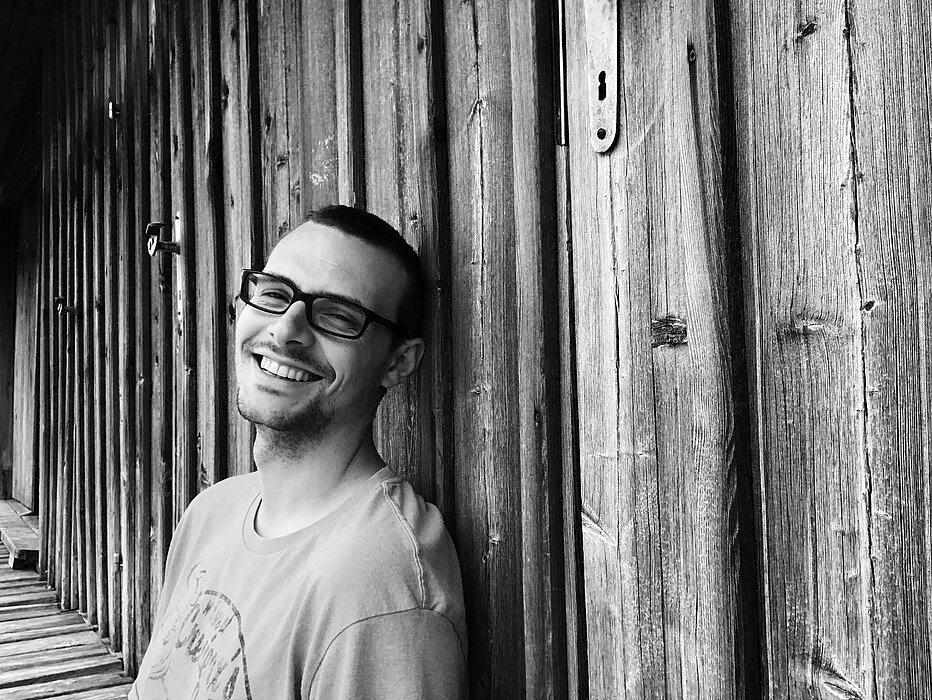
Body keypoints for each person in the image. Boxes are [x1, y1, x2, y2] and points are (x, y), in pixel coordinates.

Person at [130, 206, 467, 699]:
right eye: (274, 294)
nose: (286, 328)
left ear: (397, 362)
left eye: (337, 315)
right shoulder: (211, 513)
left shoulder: (379, 589)